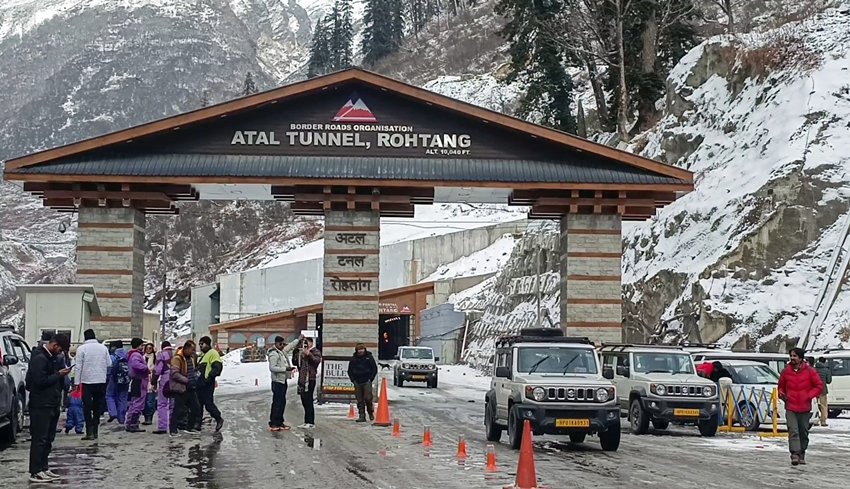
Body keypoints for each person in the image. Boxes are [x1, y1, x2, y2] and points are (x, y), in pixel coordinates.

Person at [26, 334, 71, 483]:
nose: (60, 353)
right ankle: (35, 471)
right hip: (41, 404)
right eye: (60, 350)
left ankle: (44, 468)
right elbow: (39, 381)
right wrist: (58, 374)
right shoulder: (39, 358)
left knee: (48, 439)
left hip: (52, 403)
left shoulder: (52, 358)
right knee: (40, 438)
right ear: (55, 345)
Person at [778, 347, 824, 466]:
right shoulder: (786, 371)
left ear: (800, 358)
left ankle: (802, 452)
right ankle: (795, 454)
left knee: (803, 431)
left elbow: (819, 386)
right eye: (791, 356)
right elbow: (781, 386)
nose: (792, 358)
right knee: (793, 431)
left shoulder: (810, 371)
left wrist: (809, 395)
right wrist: (781, 393)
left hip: (805, 407)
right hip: (790, 406)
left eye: (795, 356)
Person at [74, 329, 112, 440]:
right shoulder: (103, 348)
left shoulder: (81, 349)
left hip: (87, 382)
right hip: (101, 381)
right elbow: (109, 363)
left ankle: (89, 431)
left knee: (87, 407)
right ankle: (95, 431)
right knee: (97, 407)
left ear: (85, 337)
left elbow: (78, 367)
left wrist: (76, 383)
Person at [267, 335, 299, 431]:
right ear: (276, 343)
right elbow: (272, 368)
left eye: (283, 344)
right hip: (277, 381)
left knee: (282, 402)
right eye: (280, 344)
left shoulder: (281, 352)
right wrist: (286, 369)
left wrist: (298, 340)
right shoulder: (274, 354)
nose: (282, 345)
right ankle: (273, 423)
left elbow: (289, 347)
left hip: (282, 380)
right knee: (277, 403)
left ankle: (280, 422)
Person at [171, 340, 202, 435]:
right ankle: (173, 430)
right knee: (178, 409)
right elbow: (174, 374)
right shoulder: (177, 358)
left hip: (191, 387)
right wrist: (186, 380)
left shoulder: (191, 358)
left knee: (196, 408)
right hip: (181, 387)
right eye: (192, 350)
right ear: (186, 348)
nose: (193, 352)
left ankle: (189, 427)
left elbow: (192, 370)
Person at [197, 336, 224, 433]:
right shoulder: (202, 355)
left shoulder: (213, 353)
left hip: (207, 384)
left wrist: (209, 378)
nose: (200, 346)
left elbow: (217, 367)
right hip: (199, 384)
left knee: (208, 404)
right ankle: (198, 424)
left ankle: (218, 418)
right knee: (198, 405)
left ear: (208, 344)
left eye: (202, 344)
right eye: (199, 344)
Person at [124, 338, 150, 433]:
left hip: (136, 380)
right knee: (138, 403)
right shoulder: (136, 355)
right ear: (137, 345)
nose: (143, 347)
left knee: (133, 403)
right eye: (141, 345)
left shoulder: (132, 354)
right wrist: (145, 368)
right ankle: (133, 424)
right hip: (139, 381)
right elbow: (136, 365)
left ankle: (129, 423)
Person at [347, 343, 378, 423]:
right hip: (357, 381)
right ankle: (362, 415)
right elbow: (350, 370)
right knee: (359, 400)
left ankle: (370, 412)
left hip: (367, 380)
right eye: (359, 349)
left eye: (362, 349)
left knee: (368, 398)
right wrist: (353, 379)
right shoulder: (353, 359)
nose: (361, 351)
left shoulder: (369, 357)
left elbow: (374, 368)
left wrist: (371, 379)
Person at [297, 336, 322, 429]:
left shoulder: (315, 351)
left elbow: (316, 362)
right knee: (304, 400)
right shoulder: (302, 352)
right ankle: (306, 420)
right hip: (302, 379)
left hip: (310, 379)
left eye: (307, 343)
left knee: (308, 400)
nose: (306, 345)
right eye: (305, 343)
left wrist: (309, 354)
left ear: (311, 343)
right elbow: (297, 364)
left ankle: (311, 421)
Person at [151, 341, 174, 435]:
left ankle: (162, 427)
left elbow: (158, 370)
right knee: (173, 404)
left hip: (165, 379)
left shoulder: (161, 355)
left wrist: (153, 381)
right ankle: (173, 425)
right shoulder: (176, 353)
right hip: (176, 380)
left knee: (162, 403)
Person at [106, 340, 130, 425]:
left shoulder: (112, 356)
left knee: (109, 395)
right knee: (123, 398)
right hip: (125, 380)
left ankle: (113, 413)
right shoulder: (127, 355)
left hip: (114, 379)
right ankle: (122, 418)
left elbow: (109, 368)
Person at [814, 357, 832, 427]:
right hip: (823, 389)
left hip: (814, 389)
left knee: (814, 404)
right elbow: (829, 381)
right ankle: (823, 421)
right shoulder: (826, 370)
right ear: (824, 362)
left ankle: (814, 419)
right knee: (823, 406)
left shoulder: (814, 369)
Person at [143, 343, 157, 425]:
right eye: (147, 348)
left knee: (150, 400)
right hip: (143, 380)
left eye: (150, 348)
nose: (148, 350)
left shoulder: (155, 358)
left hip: (151, 380)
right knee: (144, 401)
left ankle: (149, 417)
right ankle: (145, 417)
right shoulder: (142, 357)